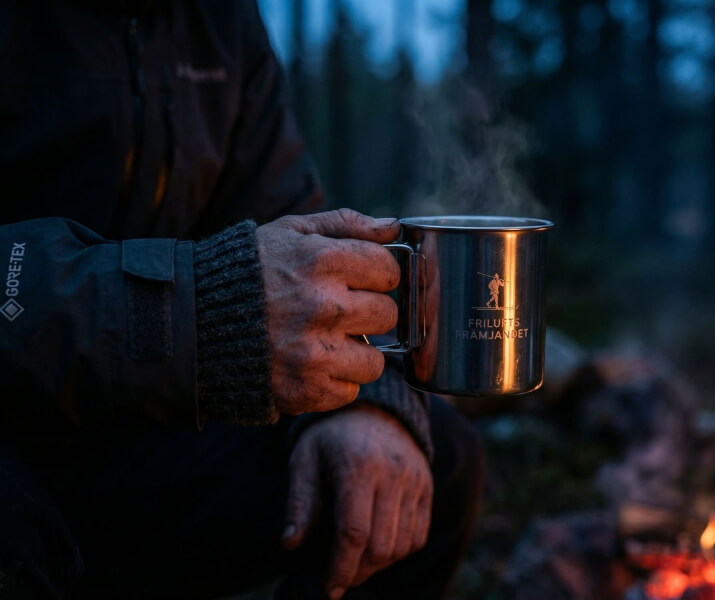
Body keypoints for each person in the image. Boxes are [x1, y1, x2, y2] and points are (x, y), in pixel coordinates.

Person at [0, 1, 485, 598]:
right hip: (16, 423)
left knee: (422, 466)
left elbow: (285, 217)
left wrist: (365, 400)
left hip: (137, 424)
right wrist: (191, 312)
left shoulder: (218, 21)